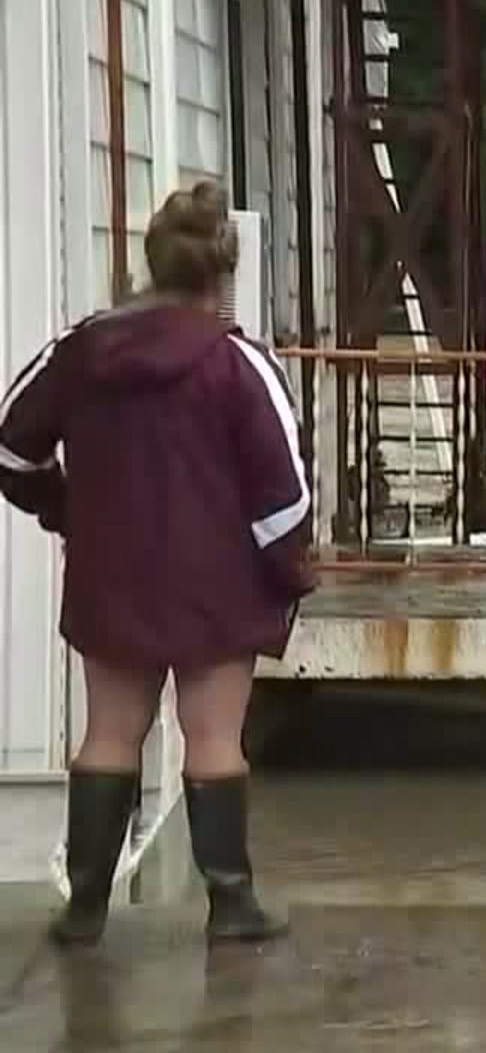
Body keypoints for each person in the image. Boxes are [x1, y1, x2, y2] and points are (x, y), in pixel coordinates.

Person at [0, 181, 314, 947]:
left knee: (109, 732)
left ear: (150, 262)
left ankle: (84, 911)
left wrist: (65, 510)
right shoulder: (240, 365)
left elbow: (11, 444)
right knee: (213, 740)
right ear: (221, 273)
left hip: (111, 578)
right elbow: (288, 497)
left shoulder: (83, 349)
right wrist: (288, 579)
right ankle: (232, 906)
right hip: (216, 589)